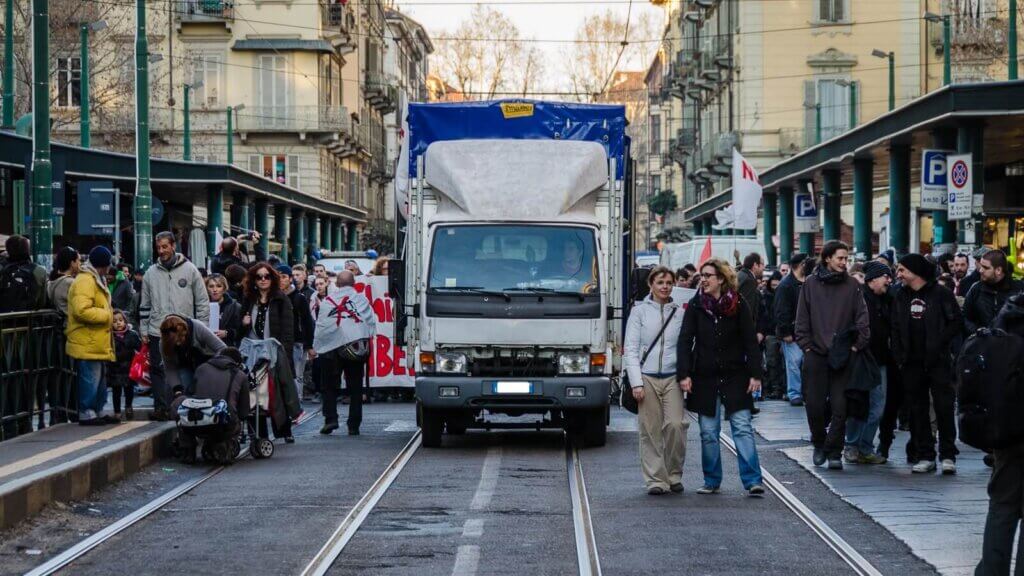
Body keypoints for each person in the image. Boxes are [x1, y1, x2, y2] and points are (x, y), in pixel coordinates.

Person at [677, 258, 765, 497]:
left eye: (708, 276)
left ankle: (753, 480)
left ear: (722, 279)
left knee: (742, 427)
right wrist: (684, 374)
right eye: (702, 275)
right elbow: (685, 340)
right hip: (704, 376)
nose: (703, 279)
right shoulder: (696, 305)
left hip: (735, 375)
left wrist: (756, 374)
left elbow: (750, 341)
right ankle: (712, 479)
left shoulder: (738, 304)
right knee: (708, 431)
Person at [794, 241, 869, 470]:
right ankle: (819, 443)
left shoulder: (852, 286)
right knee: (814, 405)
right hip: (816, 353)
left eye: (846, 258)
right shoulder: (810, 285)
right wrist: (806, 345)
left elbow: (862, 318)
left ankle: (834, 450)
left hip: (843, 354)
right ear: (827, 258)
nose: (844, 262)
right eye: (840, 258)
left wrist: (856, 346)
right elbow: (802, 319)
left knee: (840, 406)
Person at [892, 253, 963, 475]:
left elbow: (955, 321)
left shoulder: (940, 294)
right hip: (911, 362)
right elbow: (895, 326)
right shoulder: (900, 296)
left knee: (943, 407)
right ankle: (925, 454)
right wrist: (899, 355)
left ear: (915, 272)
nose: (899, 274)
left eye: (902, 270)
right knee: (917, 409)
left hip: (938, 361)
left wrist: (940, 343)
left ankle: (948, 454)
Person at [623, 266, 687, 495]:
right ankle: (656, 480)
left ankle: (673, 474)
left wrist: (686, 374)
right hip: (646, 376)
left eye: (669, 282)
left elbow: (686, 345)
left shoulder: (679, 312)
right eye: (660, 282)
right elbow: (630, 349)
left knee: (676, 425)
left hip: (672, 377)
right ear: (651, 284)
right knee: (650, 430)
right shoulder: (639, 311)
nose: (665, 287)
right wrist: (636, 382)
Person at [140, 231, 211, 421]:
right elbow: (145, 305)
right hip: (158, 330)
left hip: (184, 330)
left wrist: (201, 327)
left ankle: (184, 404)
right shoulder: (150, 274)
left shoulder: (190, 270)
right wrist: (144, 330)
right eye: (158, 247)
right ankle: (161, 407)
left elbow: (202, 301)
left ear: (173, 246)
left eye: (165, 246)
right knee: (158, 369)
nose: (161, 251)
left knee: (184, 368)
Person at [241, 263, 299, 443]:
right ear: (253, 280)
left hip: (274, 352)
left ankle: (284, 430)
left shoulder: (281, 299)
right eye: (259, 277)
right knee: (253, 393)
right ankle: (259, 435)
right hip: (253, 353)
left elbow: (289, 331)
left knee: (277, 392)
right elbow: (238, 329)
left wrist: (286, 355)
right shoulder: (248, 299)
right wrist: (243, 323)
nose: (263, 280)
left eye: (266, 276)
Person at [314, 270, 377, 435]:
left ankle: (331, 419)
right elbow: (370, 322)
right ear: (354, 283)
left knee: (329, 386)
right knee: (355, 386)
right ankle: (354, 424)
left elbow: (322, 326)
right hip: (355, 349)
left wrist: (318, 345)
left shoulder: (328, 301)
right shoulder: (362, 300)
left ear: (337, 284)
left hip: (331, 351)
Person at [845, 261, 891, 465]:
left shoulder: (886, 299)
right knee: (858, 404)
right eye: (885, 276)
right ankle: (853, 445)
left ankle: (864, 446)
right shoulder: (859, 298)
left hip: (880, 360)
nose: (889, 280)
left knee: (877, 406)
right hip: (862, 359)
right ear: (872, 280)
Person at [66, 246, 117, 425]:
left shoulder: (94, 278)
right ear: (102, 265)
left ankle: (98, 409)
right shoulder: (85, 281)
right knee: (90, 377)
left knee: (99, 377)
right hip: (88, 339)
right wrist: (107, 315)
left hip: (95, 339)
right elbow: (81, 310)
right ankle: (87, 412)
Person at [159, 314, 226, 399]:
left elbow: (223, 349)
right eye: (175, 343)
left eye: (180, 339)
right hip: (185, 366)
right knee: (173, 386)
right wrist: (177, 389)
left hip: (209, 364)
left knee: (204, 382)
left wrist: (211, 366)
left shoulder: (198, 327)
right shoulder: (163, 343)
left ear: (185, 332)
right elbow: (170, 368)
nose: (178, 344)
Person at [774, 252, 810, 406]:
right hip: (793, 331)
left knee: (802, 364)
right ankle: (795, 393)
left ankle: (802, 392)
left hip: (805, 330)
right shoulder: (786, 285)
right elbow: (781, 310)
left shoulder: (806, 282)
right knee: (794, 363)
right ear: (801, 265)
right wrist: (786, 332)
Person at [963, 249, 1024, 335]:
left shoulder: (1019, 289)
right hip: (984, 344)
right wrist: (978, 331)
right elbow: (965, 317)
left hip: (1013, 345)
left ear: (998, 270)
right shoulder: (976, 289)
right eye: (981, 266)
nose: (980, 270)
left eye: (985, 268)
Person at [277, 265, 316, 401]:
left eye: (283, 277)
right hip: (279, 342)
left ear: (290, 278)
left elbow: (307, 322)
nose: (281, 280)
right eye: (278, 277)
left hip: (297, 342)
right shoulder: (275, 298)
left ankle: (296, 403)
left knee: (297, 375)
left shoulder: (299, 298)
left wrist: (310, 345)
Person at [108, 309, 142, 421]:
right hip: (115, 369)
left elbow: (139, 347)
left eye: (120, 320)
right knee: (116, 391)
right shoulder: (109, 337)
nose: (118, 323)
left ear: (125, 321)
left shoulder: (132, 335)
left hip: (129, 368)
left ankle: (128, 407)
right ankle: (117, 412)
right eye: (115, 321)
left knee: (129, 390)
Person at [1, 234, 47, 312]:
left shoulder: (1, 268)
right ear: (27, 250)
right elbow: (42, 302)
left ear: (8, 249)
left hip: (4, 319)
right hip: (29, 319)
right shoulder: (39, 270)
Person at [759, 270, 785, 400]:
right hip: (771, 333)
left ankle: (779, 388)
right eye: (773, 285)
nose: (775, 288)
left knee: (782, 363)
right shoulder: (766, 297)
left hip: (779, 332)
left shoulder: (780, 296)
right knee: (772, 362)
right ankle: (775, 388)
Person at [206, 274, 243, 347]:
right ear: (207, 288)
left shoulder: (235, 307)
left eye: (219, 286)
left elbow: (241, 330)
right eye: (211, 286)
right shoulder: (202, 306)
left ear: (224, 288)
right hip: (206, 348)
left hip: (227, 347)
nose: (215, 290)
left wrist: (227, 333)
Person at [47, 246, 81, 316]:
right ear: (72, 263)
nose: (80, 264)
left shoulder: (53, 280)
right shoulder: (70, 283)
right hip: (69, 324)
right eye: (79, 260)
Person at [736, 253, 764, 329]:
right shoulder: (748, 280)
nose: (763, 268)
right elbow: (747, 309)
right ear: (755, 265)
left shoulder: (741, 275)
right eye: (762, 264)